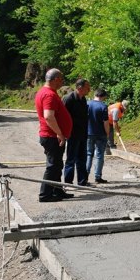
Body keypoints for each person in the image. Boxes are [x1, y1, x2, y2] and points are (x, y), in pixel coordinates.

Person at [35, 69, 74, 202]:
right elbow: (48, 116)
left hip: (52, 135)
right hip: (52, 136)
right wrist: (60, 133)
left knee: (57, 165)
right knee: (53, 166)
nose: (62, 82)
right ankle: (45, 195)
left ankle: (57, 191)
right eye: (61, 79)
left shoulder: (46, 92)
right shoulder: (49, 95)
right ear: (56, 79)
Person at [63, 79, 90, 186]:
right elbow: (62, 116)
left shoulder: (83, 99)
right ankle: (68, 182)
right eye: (87, 87)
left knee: (82, 158)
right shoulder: (68, 99)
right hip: (72, 134)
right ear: (80, 88)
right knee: (71, 159)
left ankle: (82, 181)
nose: (89, 89)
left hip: (82, 133)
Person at [86, 88, 110, 184]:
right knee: (100, 155)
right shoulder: (103, 106)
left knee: (88, 155)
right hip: (100, 134)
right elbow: (106, 122)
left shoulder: (87, 104)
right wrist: (107, 133)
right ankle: (98, 176)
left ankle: (85, 176)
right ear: (103, 96)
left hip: (88, 133)